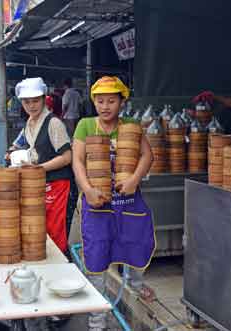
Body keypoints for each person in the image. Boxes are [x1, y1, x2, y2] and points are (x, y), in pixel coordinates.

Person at [72, 76, 156, 331]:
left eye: (111, 100)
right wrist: (87, 189)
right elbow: (77, 160)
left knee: (136, 242)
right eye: (100, 101)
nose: (105, 106)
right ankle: (97, 321)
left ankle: (135, 283)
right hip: (97, 204)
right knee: (96, 257)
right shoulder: (86, 126)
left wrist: (133, 179)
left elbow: (147, 155)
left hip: (128, 201)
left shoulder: (130, 126)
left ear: (122, 102)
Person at [14, 77, 72, 254]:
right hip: (42, 184)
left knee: (56, 232)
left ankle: (61, 269)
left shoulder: (53, 123)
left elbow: (67, 156)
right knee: (43, 230)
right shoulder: (29, 124)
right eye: (27, 101)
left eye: (35, 101)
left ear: (44, 99)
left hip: (59, 184)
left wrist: (40, 168)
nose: (31, 105)